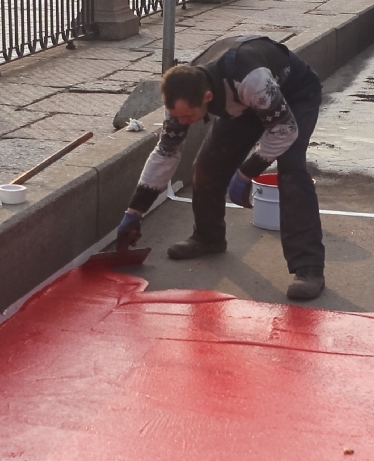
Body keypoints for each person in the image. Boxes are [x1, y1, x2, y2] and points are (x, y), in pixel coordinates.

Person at [116, 36, 326, 301]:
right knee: (207, 166)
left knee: (291, 171)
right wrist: (135, 211)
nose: (181, 122)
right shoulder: (183, 91)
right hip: (243, 103)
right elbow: (166, 153)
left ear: (207, 97)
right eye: (176, 116)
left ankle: (309, 268)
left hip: (294, 96)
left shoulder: (252, 80)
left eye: (186, 117)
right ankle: (208, 237)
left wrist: (247, 171)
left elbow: (284, 132)